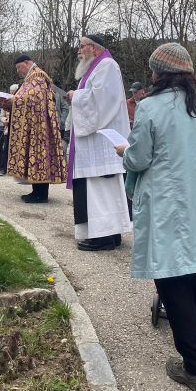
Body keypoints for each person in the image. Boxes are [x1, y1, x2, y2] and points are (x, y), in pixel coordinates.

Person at [118, 42, 196, 391]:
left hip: (168, 201)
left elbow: (139, 159)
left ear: (158, 72)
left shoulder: (150, 106)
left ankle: (195, 368)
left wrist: (124, 151)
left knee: (172, 279)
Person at [66, 34, 133, 251]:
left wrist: (76, 96)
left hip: (102, 142)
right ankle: (110, 234)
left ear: (94, 48)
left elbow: (103, 101)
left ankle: (104, 237)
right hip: (94, 142)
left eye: (81, 46)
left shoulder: (107, 65)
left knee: (100, 190)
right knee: (101, 190)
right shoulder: (96, 68)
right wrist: (78, 96)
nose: (79, 51)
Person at [6, 55, 67, 203]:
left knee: (40, 156)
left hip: (40, 127)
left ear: (27, 63)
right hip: (36, 125)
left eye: (19, 67)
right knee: (36, 156)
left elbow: (35, 97)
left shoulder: (38, 76)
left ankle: (41, 195)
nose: (18, 71)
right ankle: (36, 191)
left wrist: (15, 99)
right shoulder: (32, 77)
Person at [0, 83, 19, 176]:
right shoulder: (6, 101)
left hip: (18, 129)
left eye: (14, 92)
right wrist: (5, 120)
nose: (12, 94)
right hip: (8, 128)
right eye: (11, 92)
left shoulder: (20, 101)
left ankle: (16, 169)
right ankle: (3, 169)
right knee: (5, 148)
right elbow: (2, 115)